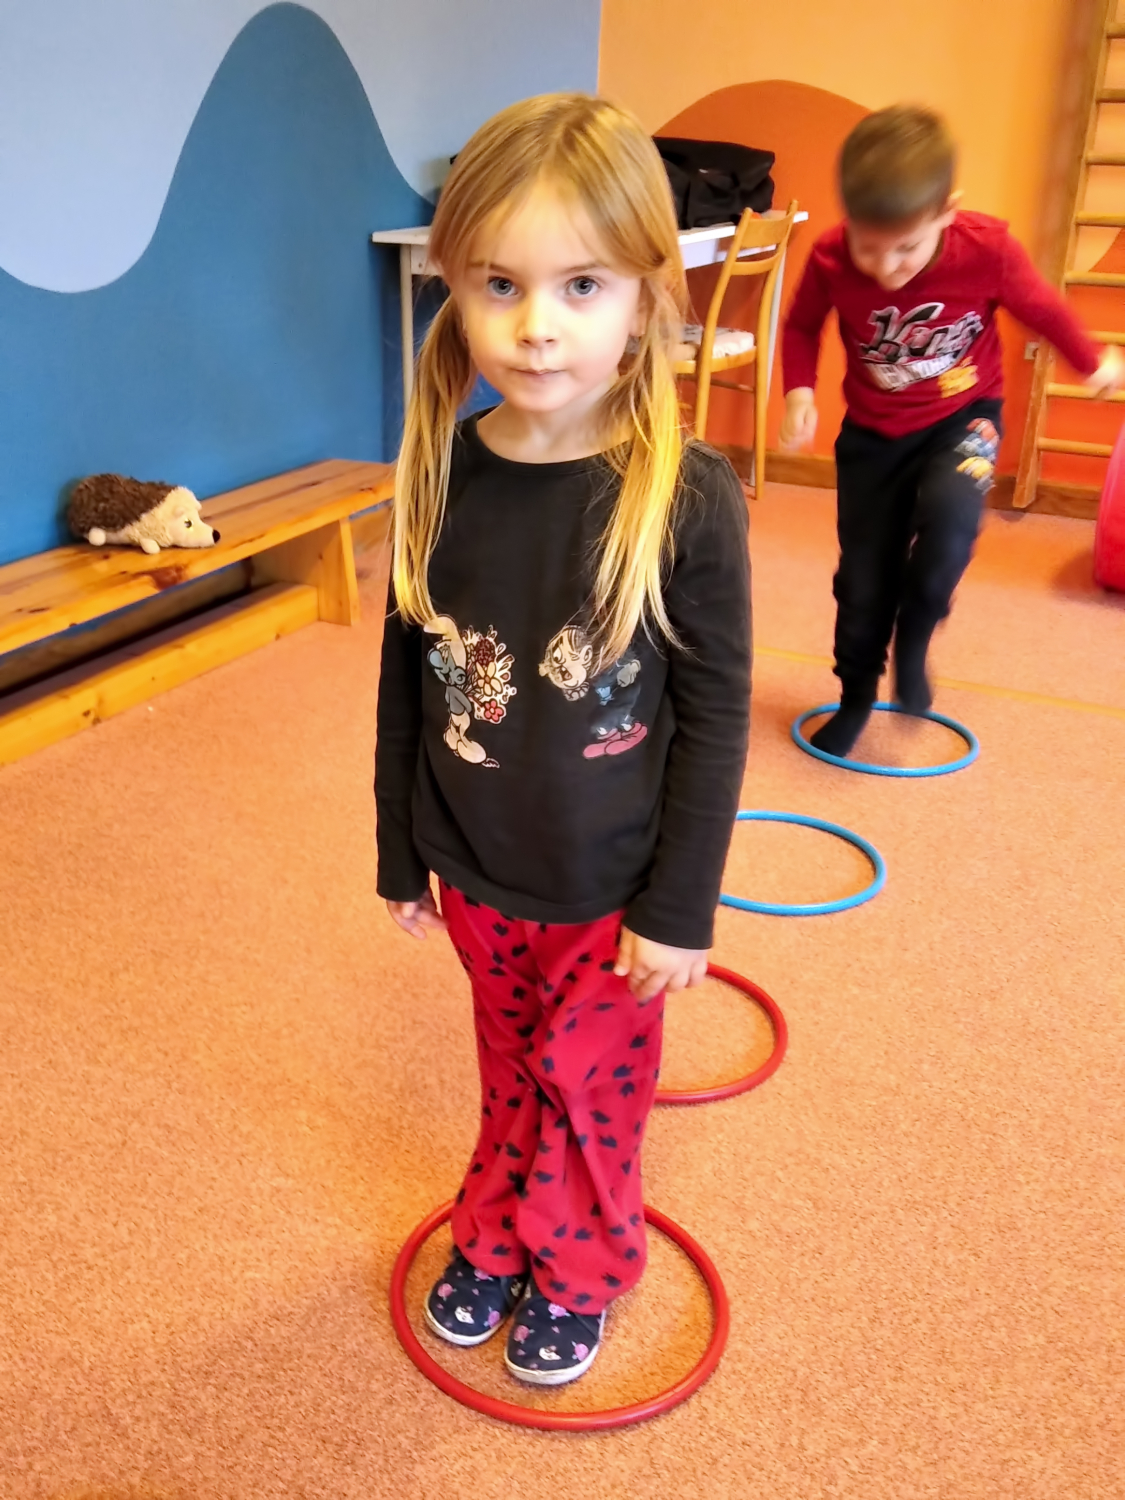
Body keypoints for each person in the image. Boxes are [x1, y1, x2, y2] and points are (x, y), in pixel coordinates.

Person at [374, 93, 751, 1386]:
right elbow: (406, 678)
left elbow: (714, 716)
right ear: (456, 288)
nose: (537, 323)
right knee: (512, 1074)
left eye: (581, 285)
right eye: (501, 284)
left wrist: (682, 908)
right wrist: (398, 850)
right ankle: (492, 1237)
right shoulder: (439, 469)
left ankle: (581, 1268)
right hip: (478, 876)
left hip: (611, 893)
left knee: (590, 1095)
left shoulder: (684, 494)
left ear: (642, 299)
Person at [779, 104, 1124, 758]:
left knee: (949, 527)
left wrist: (1090, 360)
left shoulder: (985, 251)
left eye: (905, 249)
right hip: (872, 437)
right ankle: (856, 695)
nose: (885, 268)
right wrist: (798, 390)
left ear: (946, 212)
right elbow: (799, 325)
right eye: (868, 247)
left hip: (963, 421)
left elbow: (1042, 308)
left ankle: (914, 639)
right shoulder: (829, 257)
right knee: (862, 581)